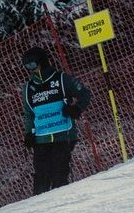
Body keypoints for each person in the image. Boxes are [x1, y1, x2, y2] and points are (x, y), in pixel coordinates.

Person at [20, 46, 92, 190]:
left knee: (59, 174)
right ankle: (40, 207)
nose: (31, 69)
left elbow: (84, 94)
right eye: (27, 66)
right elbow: (29, 113)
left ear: (42, 61)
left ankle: (61, 205)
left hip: (63, 134)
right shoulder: (28, 88)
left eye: (33, 64)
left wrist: (76, 109)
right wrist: (28, 133)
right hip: (41, 138)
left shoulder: (61, 79)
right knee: (41, 176)